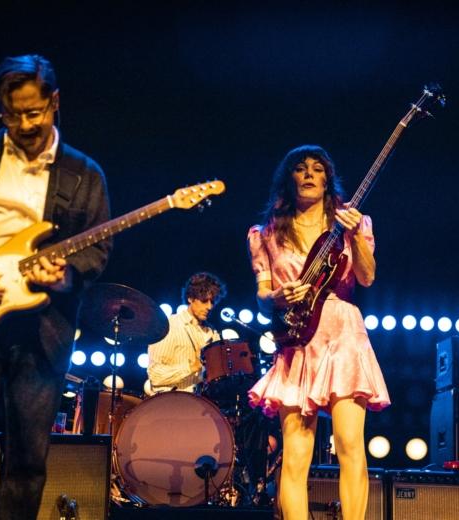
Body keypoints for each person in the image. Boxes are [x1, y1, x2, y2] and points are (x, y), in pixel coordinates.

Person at [0, 55, 112, 520]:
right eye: (12, 115)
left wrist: (64, 276)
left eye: (34, 112)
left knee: (29, 459)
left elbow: (98, 249)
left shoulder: (85, 173)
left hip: (45, 327)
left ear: (55, 102)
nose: (25, 124)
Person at [247, 144, 390, 520]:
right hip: (297, 340)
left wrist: (354, 235)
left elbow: (367, 277)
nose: (309, 173)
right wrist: (276, 297)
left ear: (328, 179)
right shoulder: (265, 234)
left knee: (349, 444)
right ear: (288, 178)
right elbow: (262, 295)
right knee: (296, 454)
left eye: (317, 168)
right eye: (300, 168)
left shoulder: (352, 223)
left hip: (342, 335)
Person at [146, 271, 226, 394]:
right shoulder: (170, 325)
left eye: (212, 302)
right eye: (204, 301)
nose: (209, 307)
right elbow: (155, 376)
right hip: (171, 401)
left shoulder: (213, 333)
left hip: (202, 401)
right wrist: (191, 368)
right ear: (190, 298)